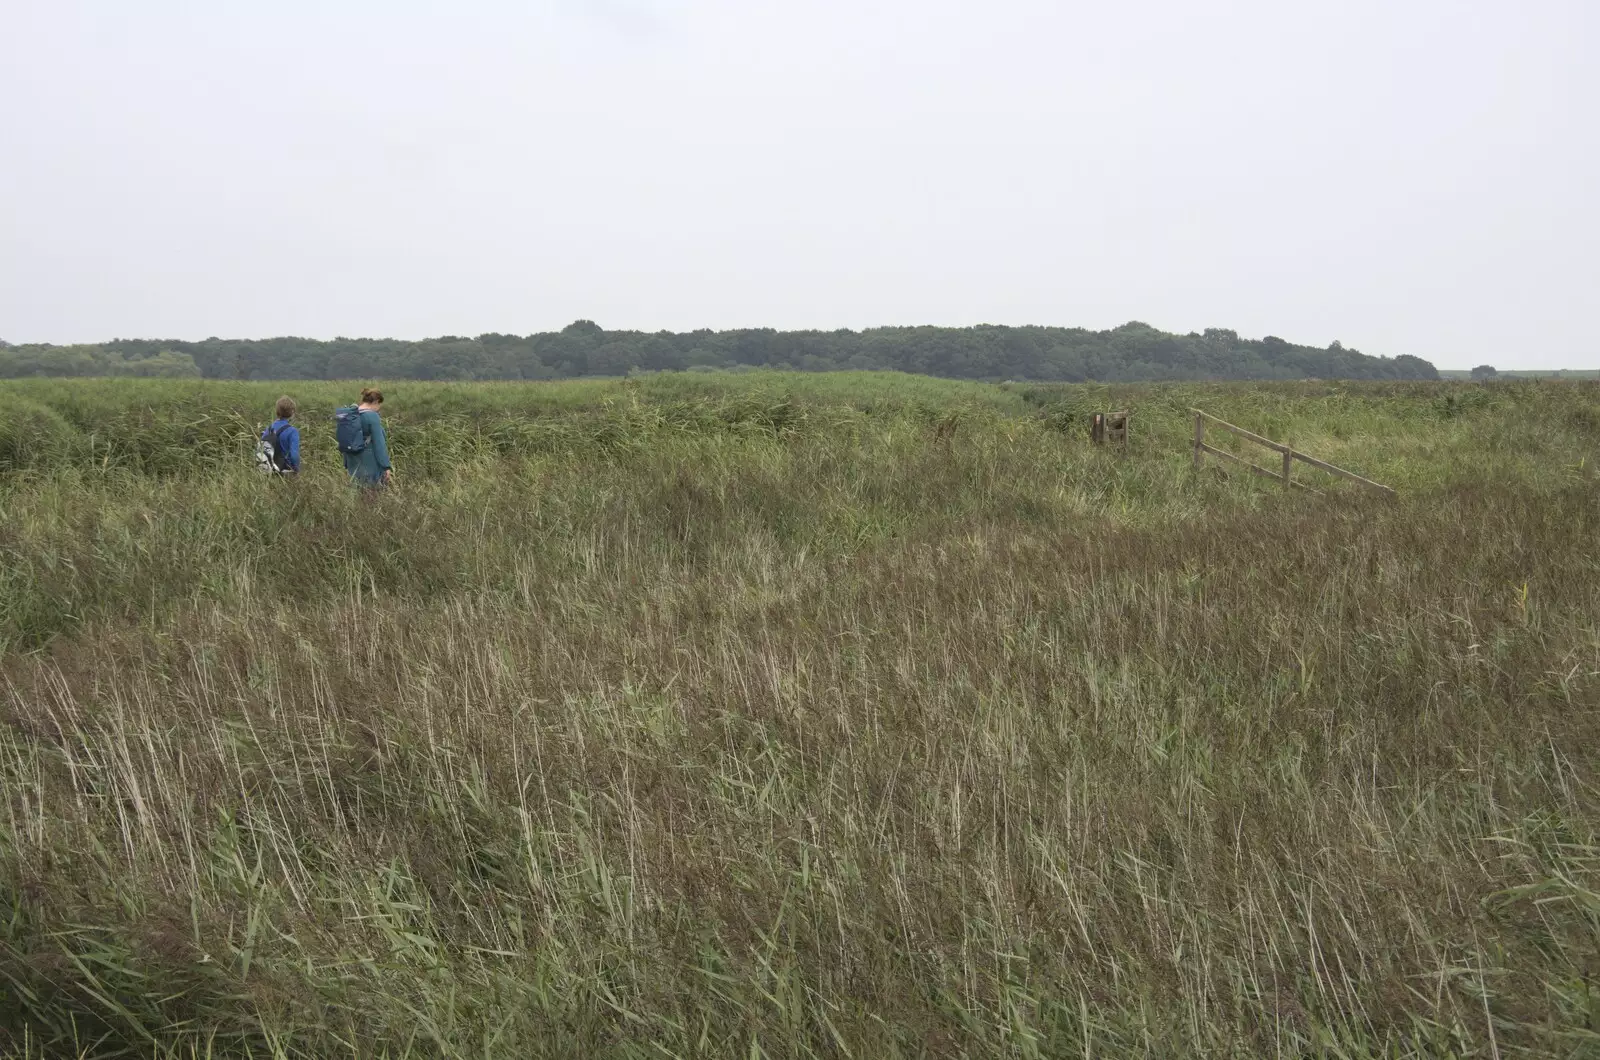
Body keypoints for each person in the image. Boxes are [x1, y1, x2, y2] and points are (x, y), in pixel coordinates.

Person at [340, 387, 391, 487]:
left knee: (356, 492)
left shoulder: (349, 414)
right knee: (373, 494)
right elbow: (379, 444)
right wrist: (386, 467)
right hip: (370, 462)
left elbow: (345, 439)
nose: (379, 408)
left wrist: (346, 463)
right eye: (379, 405)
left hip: (352, 461)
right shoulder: (372, 416)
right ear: (376, 401)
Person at [259, 396, 301, 475]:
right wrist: (296, 470)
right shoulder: (292, 431)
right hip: (284, 470)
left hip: (268, 469)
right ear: (292, 412)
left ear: (277, 411)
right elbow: (294, 455)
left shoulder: (269, 428)